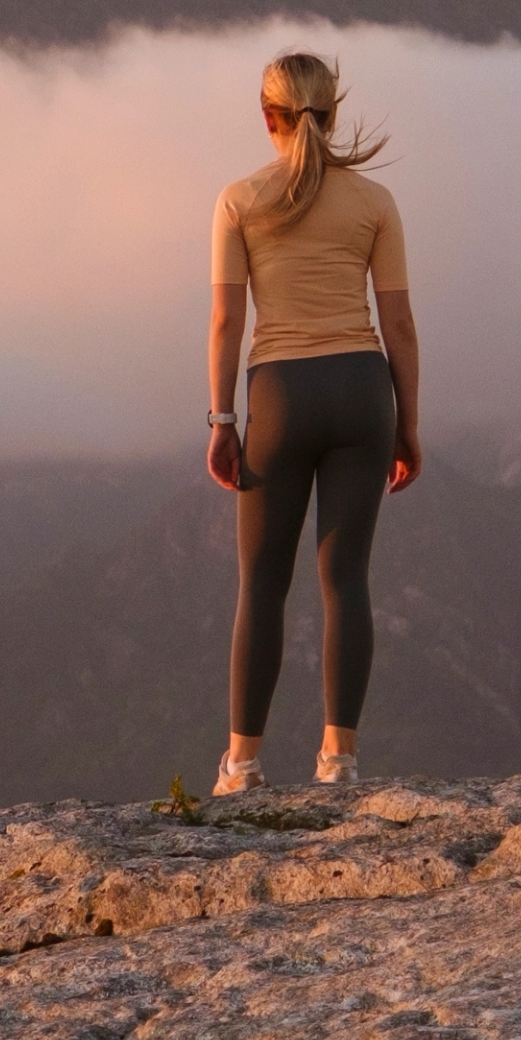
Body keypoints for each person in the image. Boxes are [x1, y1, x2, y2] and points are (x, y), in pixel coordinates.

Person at [205, 50, 421, 792]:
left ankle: (242, 764)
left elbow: (227, 321)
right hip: (363, 389)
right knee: (345, 578)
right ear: (332, 116)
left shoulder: (239, 200)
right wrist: (408, 423)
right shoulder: (374, 202)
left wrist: (222, 419)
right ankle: (339, 760)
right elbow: (399, 323)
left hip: (280, 398)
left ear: (268, 118)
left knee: (262, 584)